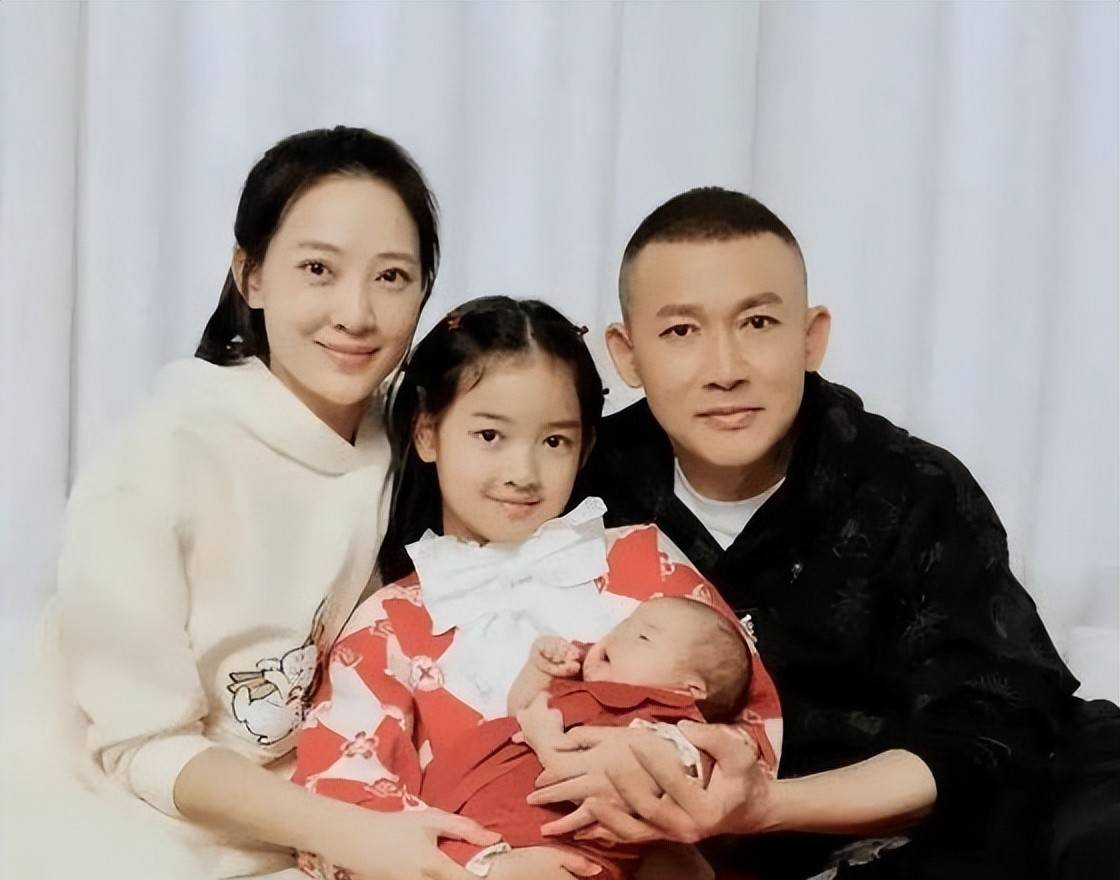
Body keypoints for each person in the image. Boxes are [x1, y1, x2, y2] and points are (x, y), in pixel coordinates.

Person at [527, 186, 1117, 879]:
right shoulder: (571, 480)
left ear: (811, 337)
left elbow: (993, 727)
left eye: (757, 323)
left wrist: (764, 806)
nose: (725, 370)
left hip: (926, 818)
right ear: (626, 354)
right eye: (682, 332)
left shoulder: (911, 486)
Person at [3, 126, 501, 880]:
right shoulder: (163, 454)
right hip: (122, 815)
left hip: (321, 814)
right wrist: (349, 834)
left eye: (392, 277)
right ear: (252, 276)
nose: (356, 313)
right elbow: (140, 745)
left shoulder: (415, 443)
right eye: (317, 269)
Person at [291, 296, 782, 880]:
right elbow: (339, 794)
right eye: (490, 435)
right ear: (427, 433)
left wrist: (663, 767)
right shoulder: (386, 623)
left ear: (585, 446)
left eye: (554, 442)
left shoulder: (643, 560)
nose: (523, 474)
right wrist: (485, 868)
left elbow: (750, 715)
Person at [420, 597, 756, 880]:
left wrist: (547, 739)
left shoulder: (670, 726)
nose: (618, 636)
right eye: (623, 624)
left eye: (643, 637)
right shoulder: (577, 686)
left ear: (688, 689)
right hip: (464, 809)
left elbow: (675, 771)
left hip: (553, 847)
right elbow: (521, 711)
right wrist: (539, 670)